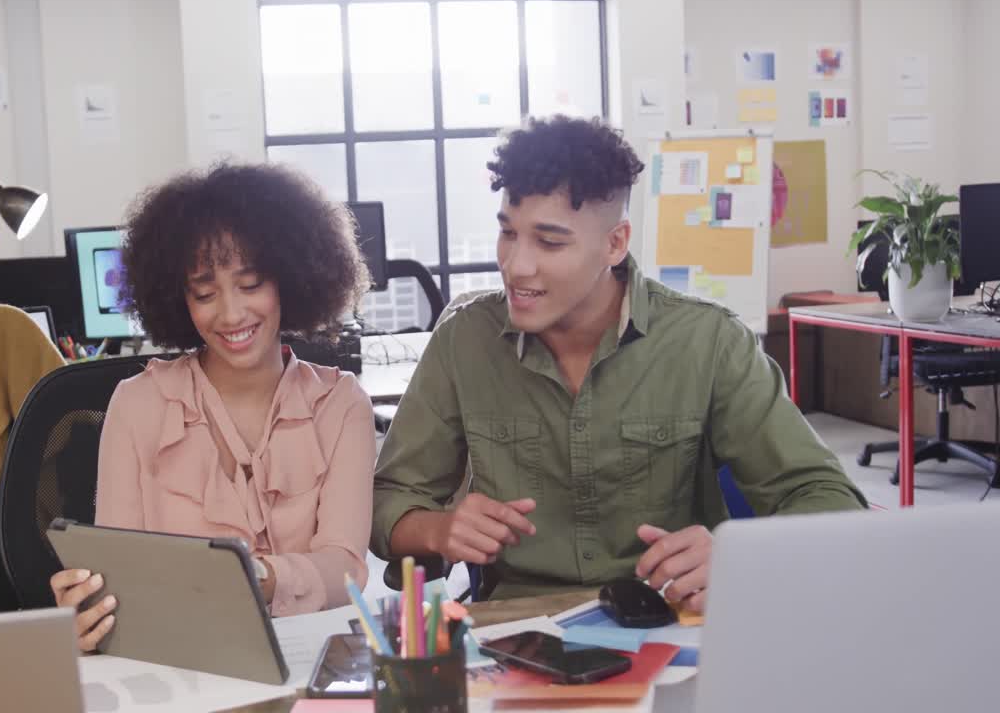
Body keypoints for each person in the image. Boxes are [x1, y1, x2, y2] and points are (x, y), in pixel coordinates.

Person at [371, 115, 866, 610]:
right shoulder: (465, 341)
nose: (516, 265)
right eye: (508, 233)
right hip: (518, 634)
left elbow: (829, 499)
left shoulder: (708, 342)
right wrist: (441, 529)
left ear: (615, 243)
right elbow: (385, 503)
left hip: (671, 622)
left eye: (549, 241)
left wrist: (743, 557)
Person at [51, 163, 376, 651]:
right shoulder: (138, 405)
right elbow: (120, 573)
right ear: (180, 299)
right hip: (176, 666)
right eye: (205, 293)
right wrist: (86, 611)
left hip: (311, 658)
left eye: (250, 285)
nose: (230, 314)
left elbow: (345, 568)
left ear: (289, 278)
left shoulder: (341, 405)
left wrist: (262, 576)